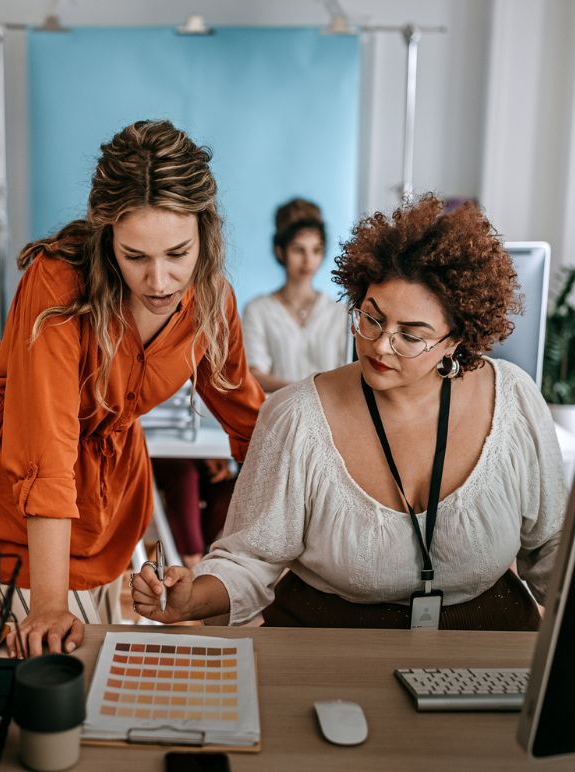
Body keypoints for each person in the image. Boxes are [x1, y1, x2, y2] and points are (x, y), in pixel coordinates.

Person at [131, 194, 567, 630]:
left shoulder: (512, 401)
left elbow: (550, 549)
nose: (380, 345)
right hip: (329, 644)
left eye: (411, 336)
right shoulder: (296, 416)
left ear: (456, 341)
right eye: (371, 319)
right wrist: (189, 600)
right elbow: (249, 560)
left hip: (486, 648)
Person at [0, 119, 264, 655]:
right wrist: (48, 603)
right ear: (105, 236)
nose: (160, 281)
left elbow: (250, 423)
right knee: (49, 657)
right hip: (17, 494)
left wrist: (273, 564)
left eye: (178, 254)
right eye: (135, 256)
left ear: (205, 233)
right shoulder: (56, 285)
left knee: (94, 654)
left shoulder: (213, 299)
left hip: (109, 503)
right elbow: (45, 446)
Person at [241, 198, 347, 392]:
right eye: (298, 250)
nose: (308, 260)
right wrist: (307, 392)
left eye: (316, 250)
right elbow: (253, 375)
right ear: (280, 251)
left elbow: (348, 374)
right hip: (278, 416)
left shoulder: (339, 313)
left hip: (331, 419)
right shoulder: (258, 310)